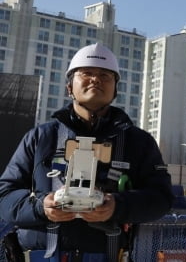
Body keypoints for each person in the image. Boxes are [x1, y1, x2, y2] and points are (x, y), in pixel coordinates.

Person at [0, 43, 173, 261]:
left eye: (105, 75)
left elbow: (161, 198)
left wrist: (116, 206)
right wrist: (42, 206)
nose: (95, 79)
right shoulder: (40, 138)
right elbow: (4, 196)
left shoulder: (138, 142)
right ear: (69, 87)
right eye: (87, 73)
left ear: (115, 89)